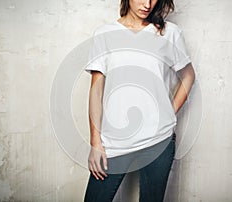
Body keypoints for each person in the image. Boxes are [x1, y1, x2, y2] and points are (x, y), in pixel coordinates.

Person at [84, 0, 195, 201]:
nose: (148, 4)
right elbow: (96, 91)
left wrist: (169, 111)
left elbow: (188, 76)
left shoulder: (169, 33)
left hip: (158, 141)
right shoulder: (104, 34)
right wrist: (95, 142)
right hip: (114, 141)